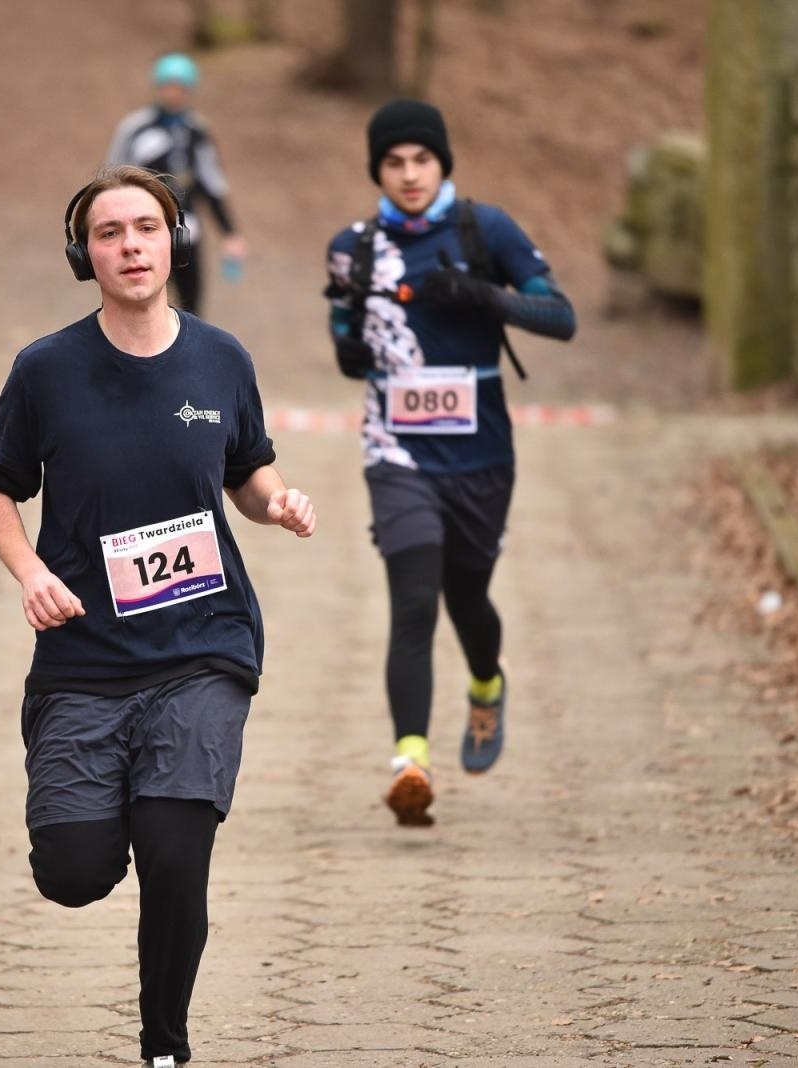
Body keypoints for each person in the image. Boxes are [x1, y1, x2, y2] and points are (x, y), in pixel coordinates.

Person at [0, 165, 313, 1066]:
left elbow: (245, 469)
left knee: (173, 852)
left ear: (175, 242)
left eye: (148, 229)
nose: (131, 246)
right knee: (75, 872)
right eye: (111, 233)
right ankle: (99, 790)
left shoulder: (221, 359)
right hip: (83, 656)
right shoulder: (46, 369)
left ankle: (166, 1048)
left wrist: (275, 502)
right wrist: (29, 571)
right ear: (85, 254)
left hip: (205, 645)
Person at [323, 99, 576, 828]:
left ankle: (488, 686)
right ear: (378, 168)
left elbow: (561, 317)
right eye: (394, 162)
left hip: (481, 455)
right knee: (413, 599)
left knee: (468, 599)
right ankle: (411, 761)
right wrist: (349, 347)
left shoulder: (484, 230)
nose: (408, 174)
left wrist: (482, 294)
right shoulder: (354, 246)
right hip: (395, 452)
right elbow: (345, 335)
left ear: (442, 165)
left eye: (422, 160)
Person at [105, 53, 245, 318]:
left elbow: (211, 181)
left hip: (187, 229)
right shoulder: (136, 127)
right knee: (143, 300)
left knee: (192, 306)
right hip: (142, 226)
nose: (174, 94)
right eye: (168, 86)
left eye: (180, 88)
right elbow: (111, 178)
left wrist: (230, 232)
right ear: (158, 88)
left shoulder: (197, 130)